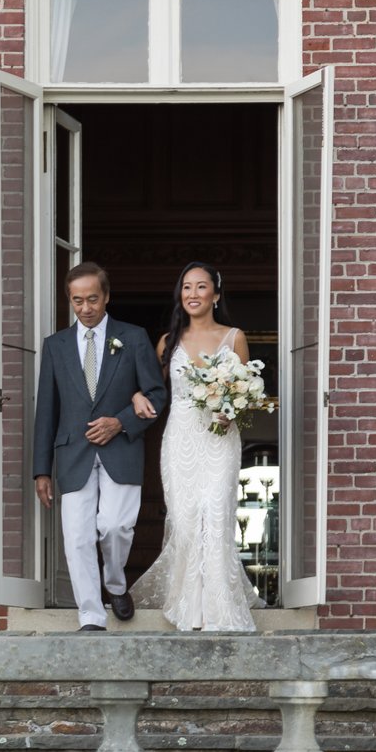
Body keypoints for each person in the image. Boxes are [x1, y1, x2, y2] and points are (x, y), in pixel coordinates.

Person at [33, 262, 167, 631]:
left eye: (93, 299)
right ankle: (91, 615)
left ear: (106, 296)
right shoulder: (55, 346)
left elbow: (156, 394)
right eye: (78, 301)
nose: (86, 308)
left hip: (121, 449)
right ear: (69, 300)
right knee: (76, 537)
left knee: (115, 527)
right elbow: (47, 408)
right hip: (72, 453)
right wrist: (41, 469)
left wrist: (121, 421)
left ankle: (115, 583)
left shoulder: (134, 337)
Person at [130, 262, 264, 631]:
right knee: (186, 520)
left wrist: (231, 411)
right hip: (180, 437)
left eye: (201, 287)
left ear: (216, 295)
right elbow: (154, 391)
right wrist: (137, 394)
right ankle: (188, 606)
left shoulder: (233, 336)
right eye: (186, 287)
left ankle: (218, 610)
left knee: (216, 515)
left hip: (220, 438)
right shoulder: (167, 341)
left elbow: (247, 392)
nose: (192, 294)